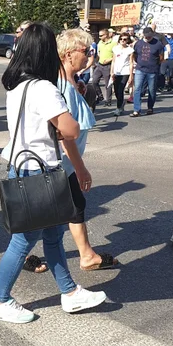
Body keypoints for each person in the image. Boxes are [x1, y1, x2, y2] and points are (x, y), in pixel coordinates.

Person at [0, 22, 107, 324]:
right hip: (38, 174)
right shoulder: (44, 88)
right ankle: (0, 300)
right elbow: (70, 129)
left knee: (53, 236)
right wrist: (66, 122)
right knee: (23, 242)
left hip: (26, 169)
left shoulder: (17, 85)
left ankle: (69, 292)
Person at [57, 28, 118, 270]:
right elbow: (64, 135)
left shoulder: (72, 81)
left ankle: (86, 254)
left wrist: (80, 92)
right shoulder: (61, 84)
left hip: (67, 163)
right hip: (62, 162)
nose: (89, 55)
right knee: (66, 209)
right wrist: (81, 169)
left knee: (70, 208)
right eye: (86, 51)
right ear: (69, 53)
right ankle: (85, 256)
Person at [131, 27, 164, 117]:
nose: (148, 38)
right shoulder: (138, 43)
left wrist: (155, 65)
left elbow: (161, 57)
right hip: (140, 69)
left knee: (151, 90)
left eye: (150, 36)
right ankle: (136, 110)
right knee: (137, 89)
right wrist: (139, 63)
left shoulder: (158, 44)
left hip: (152, 70)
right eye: (147, 36)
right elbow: (135, 55)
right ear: (144, 35)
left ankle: (150, 107)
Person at [110, 33, 134, 116]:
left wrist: (131, 75)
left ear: (128, 40)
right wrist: (111, 72)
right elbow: (113, 61)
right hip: (116, 72)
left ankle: (118, 108)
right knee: (116, 91)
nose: (123, 41)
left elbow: (131, 63)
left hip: (125, 72)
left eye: (125, 39)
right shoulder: (115, 49)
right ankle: (121, 103)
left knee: (120, 90)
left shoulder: (130, 50)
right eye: (121, 39)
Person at [91, 29, 114, 106]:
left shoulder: (113, 43)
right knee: (94, 81)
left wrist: (109, 59)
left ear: (106, 35)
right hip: (100, 64)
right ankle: (100, 95)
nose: (99, 37)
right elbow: (99, 52)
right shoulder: (100, 42)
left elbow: (116, 55)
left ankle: (108, 101)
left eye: (101, 35)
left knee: (108, 84)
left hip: (108, 65)